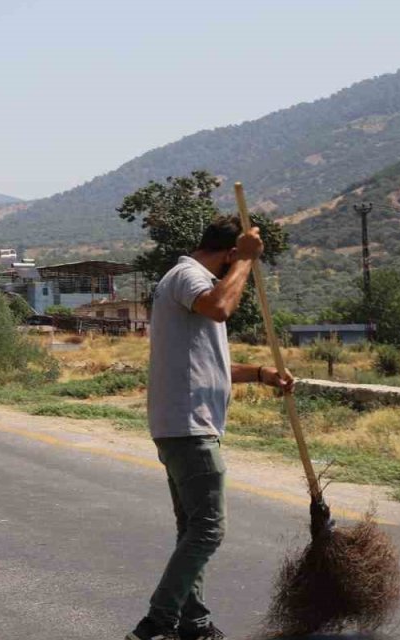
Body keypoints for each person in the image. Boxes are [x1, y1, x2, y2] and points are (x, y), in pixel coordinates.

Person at [127, 216, 294, 640]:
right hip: (190, 427)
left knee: (192, 530)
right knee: (208, 529)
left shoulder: (190, 284)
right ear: (230, 253)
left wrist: (261, 374)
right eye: (238, 260)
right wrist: (247, 261)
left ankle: (194, 623)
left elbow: (210, 365)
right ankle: (157, 623)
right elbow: (221, 307)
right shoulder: (189, 277)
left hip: (184, 426)